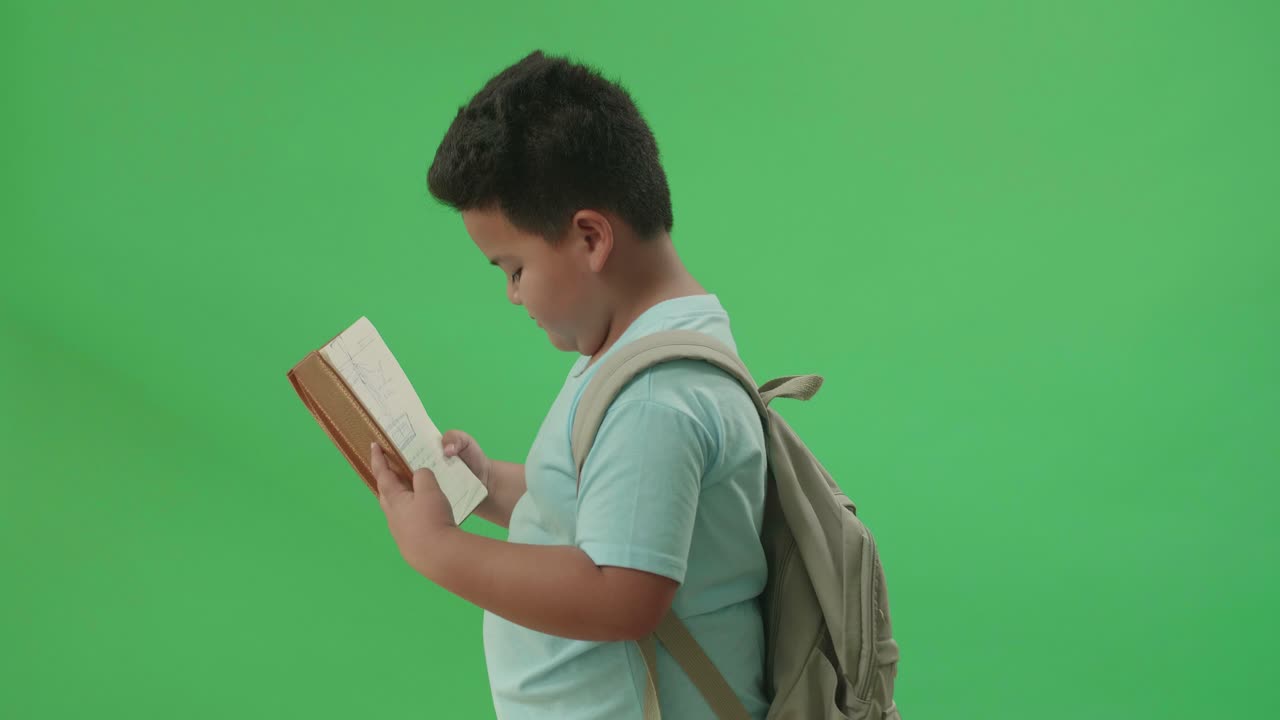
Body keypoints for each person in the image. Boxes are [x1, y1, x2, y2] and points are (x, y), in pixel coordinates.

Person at [369, 49, 769, 719]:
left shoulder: (654, 394)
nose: (511, 294)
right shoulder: (635, 351)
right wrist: (491, 485)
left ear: (589, 238)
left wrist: (436, 548)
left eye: (514, 268)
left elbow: (620, 593)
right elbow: (610, 509)